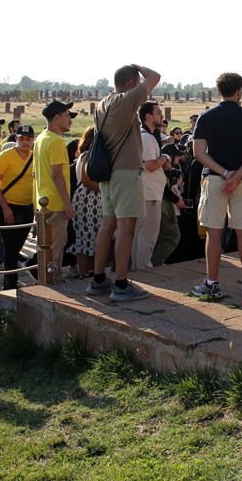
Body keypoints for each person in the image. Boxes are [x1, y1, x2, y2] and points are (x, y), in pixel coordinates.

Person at [87, 63, 160, 302]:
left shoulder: (103, 103)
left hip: (108, 172)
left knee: (108, 224)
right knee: (126, 226)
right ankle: (120, 283)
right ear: (131, 84)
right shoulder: (124, 100)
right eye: (136, 82)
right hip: (126, 171)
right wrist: (137, 66)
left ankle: (98, 279)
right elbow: (155, 76)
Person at [190, 72, 242, 300]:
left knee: (214, 232)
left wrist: (224, 173)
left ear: (218, 91)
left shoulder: (206, 117)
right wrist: (238, 175)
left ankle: (212, 282)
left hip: (214, 178)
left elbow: (198, 153)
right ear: (239, 92)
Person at [0, 124, 36, 290]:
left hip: (27, 206)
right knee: (10, 248)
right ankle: (9, 285)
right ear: (16, 139)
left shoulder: (34, 156)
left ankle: (13, 278)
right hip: (8, 206)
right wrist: (5, 207)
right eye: (21, 138)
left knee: (17, 246)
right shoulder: (5, 156)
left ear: (33, 140)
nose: (25, 142)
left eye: (28, 139)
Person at [34, 100, 76, 280]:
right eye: (67, 116)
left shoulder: (41, 138)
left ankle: (48, 279)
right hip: (56, 203)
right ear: (56, 117)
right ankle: (53, 283)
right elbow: (57, 175)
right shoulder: (56, 142)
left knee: (46, 247)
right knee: (55, 248)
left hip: (43, 202)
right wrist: (68, 203)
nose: (70, 121)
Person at [132, 101, 169, 272]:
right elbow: (151, 165)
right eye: (158, 113)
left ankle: (137, 267)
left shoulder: (145, 136)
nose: (161, 116)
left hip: (147, 191)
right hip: (149, 192)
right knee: (148, 233)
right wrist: (166, 157)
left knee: (141, 233)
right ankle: (143, 267)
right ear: (148, 116)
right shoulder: (146, 138)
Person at [68, 127, 101, 278]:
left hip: (88, 198)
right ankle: (86, 272)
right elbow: (87, 180)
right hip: (89, 198)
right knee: (86, 237)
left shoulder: (85, 155)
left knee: (90, 237)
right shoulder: (87, 156)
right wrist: (104, 189)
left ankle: (91, 271)